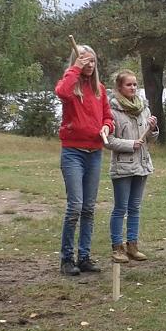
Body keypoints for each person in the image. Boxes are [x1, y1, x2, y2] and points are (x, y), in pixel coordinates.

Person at [55, 44, 113, 276]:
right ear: (77, 62)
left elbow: (108, 116)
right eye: (85, 61)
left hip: (95, 153)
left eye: (92, 61)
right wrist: (75, 69)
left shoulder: (100, 89)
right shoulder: (70, 86)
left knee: (89, 208)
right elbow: (62, 92)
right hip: (73, 152)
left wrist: (107, 127)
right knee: (75, 207)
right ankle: (67, 259)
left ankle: (85, 256)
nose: (90, 65)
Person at [103, 70, 158, 264]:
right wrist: (129, 144)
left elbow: (151, 139)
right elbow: (108, 141)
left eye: (135, 84)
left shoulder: (143, 108)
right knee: (120, 208)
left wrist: (153, 128)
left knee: (135, 207)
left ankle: (132, 246)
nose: (133, 88)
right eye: (129, 85)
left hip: (142, 165)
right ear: (119, 87)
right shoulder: (112, 111)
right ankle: (117, 247)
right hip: (123, 167)